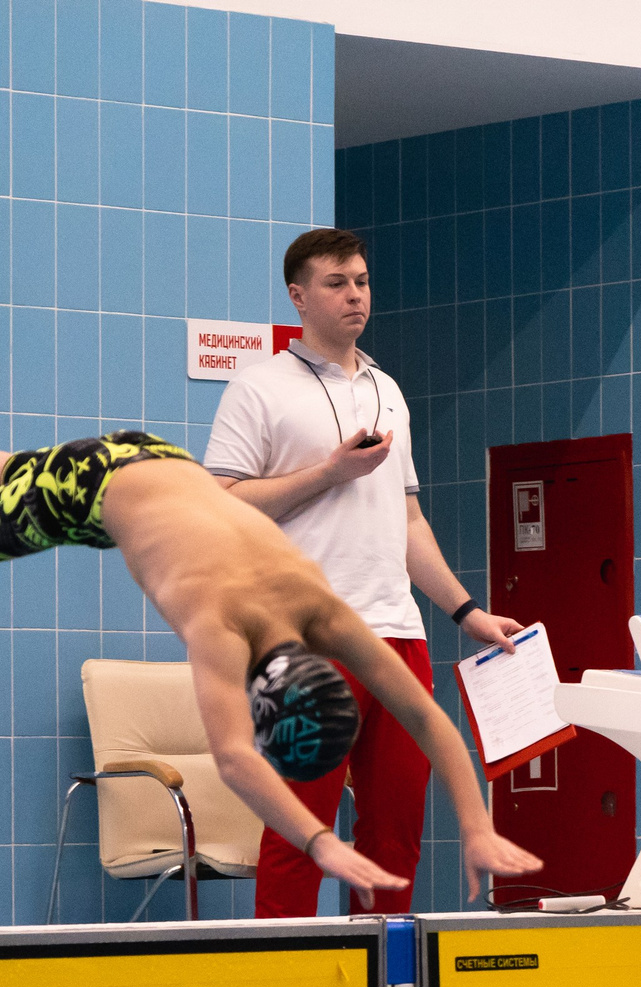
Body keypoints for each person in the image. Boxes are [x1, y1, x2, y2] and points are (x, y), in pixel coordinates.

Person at [0, 433, 543, 903]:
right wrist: (317, 841)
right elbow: (234, 758)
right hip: (98, 490)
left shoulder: (319, 607)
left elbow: (425, 717)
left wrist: (477, 826)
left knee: (6, 470)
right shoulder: (222, 623)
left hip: (156, 458)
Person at [203, 227, 525, 918]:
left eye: (362, 281)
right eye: (336, 283)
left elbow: (408, 522)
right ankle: (283, 978)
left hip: (397, 636)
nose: (355, 295)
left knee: (395, 838)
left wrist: (467, 611)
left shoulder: (388, 390)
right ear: (299, 296)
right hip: (306, 639)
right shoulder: (259, 387)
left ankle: (387, 977)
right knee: (300, 834)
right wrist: (328, 472)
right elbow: (220, 503)